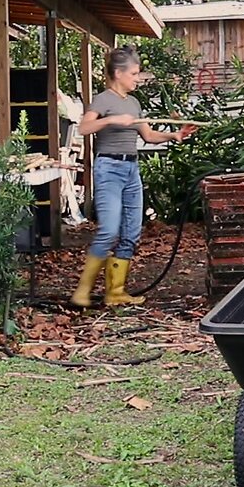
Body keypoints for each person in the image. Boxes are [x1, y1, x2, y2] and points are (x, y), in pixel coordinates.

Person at [70, 46, 195, 307]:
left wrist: (175, 135)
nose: (137, 78)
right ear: (118, 73)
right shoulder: (103, 99)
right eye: (134, 73)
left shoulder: (134, 104)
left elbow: (148, 136)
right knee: (108, 230)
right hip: (109, 168)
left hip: (131, 169)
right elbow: (84, 128)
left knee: (131, 231)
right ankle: (82, 293)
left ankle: (115, 292)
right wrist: (111, 120)